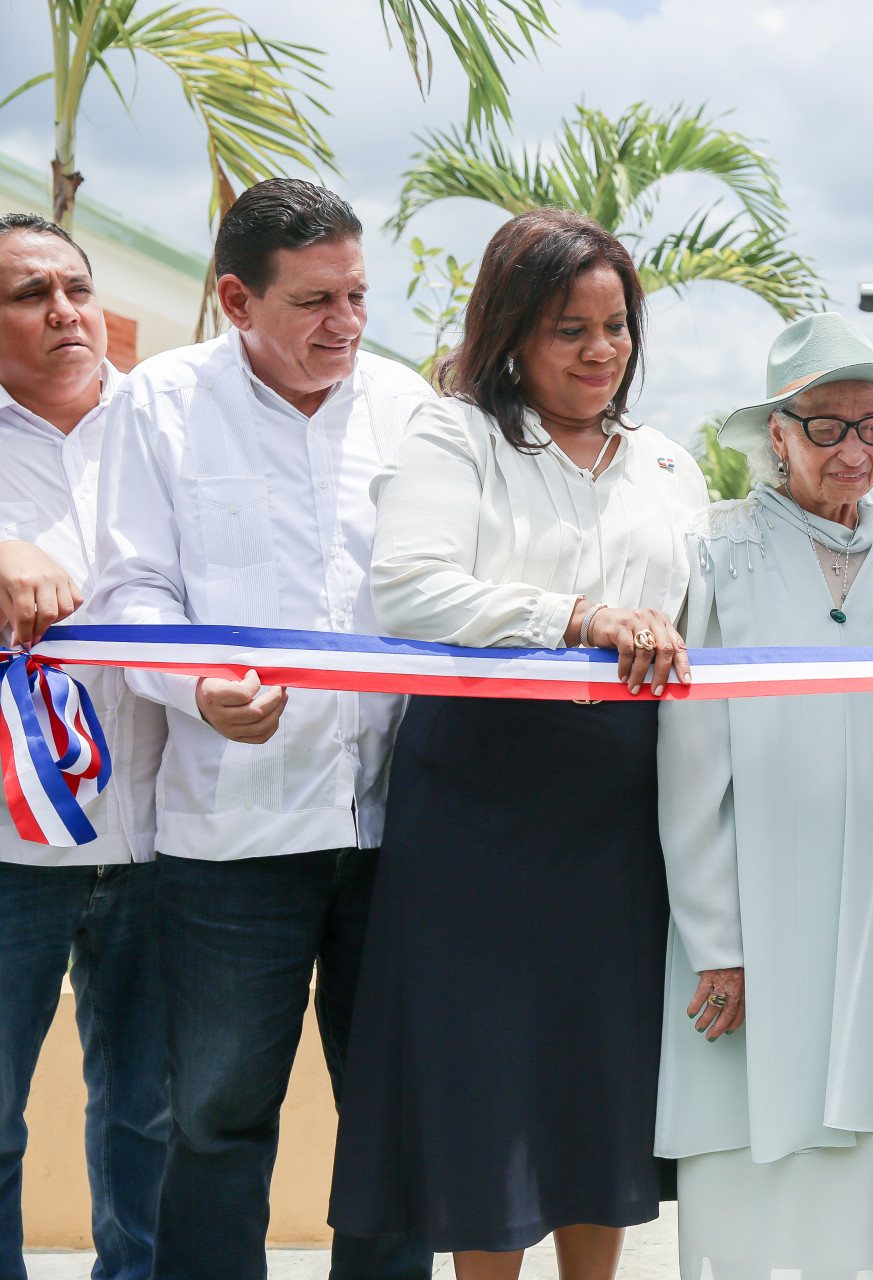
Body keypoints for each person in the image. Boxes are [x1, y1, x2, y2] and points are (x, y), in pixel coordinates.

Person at [330, 207, 706, 1280]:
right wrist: (577, 616)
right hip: (479, 809)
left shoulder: (668, 464)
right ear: (510, 331)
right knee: (484, 1088)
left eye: (615, 326)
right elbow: (409, 587)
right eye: (567, 328)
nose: (599, 351)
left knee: (602, 1079)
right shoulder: (455, 435)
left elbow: (707, 619)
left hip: (624, 815)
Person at [89, 179, 434, 1280]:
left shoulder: (407, 406)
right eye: (315, 300)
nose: (347, 322)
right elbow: (133, 589)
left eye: (358, 295)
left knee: (395, 1117)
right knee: (217, 1118)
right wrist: (199, 687)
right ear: (236, 299)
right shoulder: (161, 401)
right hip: (234, 838)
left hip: (396, 826)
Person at [655, 311, 873, 1280]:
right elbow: (689, 759)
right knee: (752, 1145)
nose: (853, 449)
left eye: (871, 425)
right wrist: (716, 938)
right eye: (825, 426)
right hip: (759, 908)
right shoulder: (716, 552)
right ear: (778, 436)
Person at [0, 213, 169, 1280]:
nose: (65, 311)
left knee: (150, 1118)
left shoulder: (167, 425)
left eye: (77, 287)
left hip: (159, 830)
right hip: (8, 849)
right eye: (30, 294)